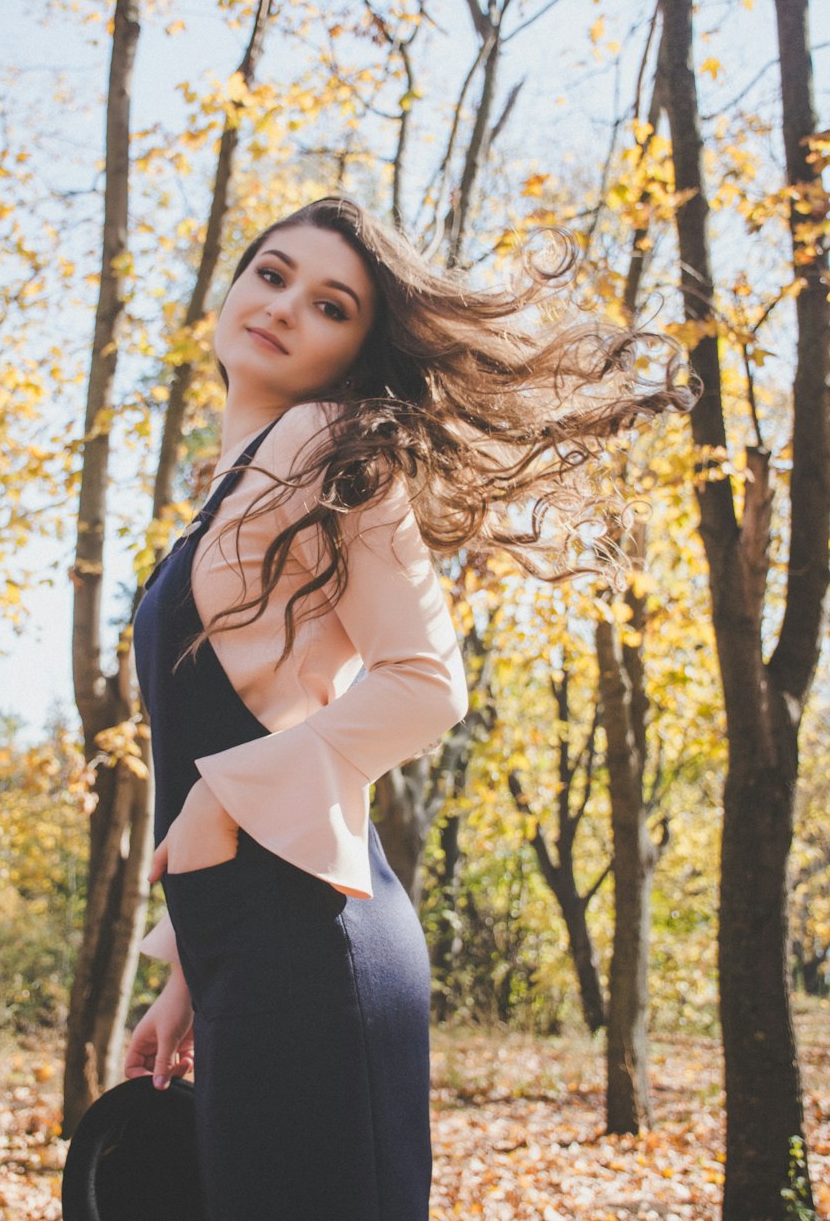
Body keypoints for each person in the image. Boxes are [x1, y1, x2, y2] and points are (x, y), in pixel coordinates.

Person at [122, 196, 695, 1221]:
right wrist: (188, 974)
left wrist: (218, 803)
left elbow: (427, 682)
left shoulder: (331, 442)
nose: (285, 304)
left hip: (310, 942)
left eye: (329, 302)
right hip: (245, 942)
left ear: (353, 351)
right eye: (271, 273)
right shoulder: (226, 488)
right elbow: (262, 705)